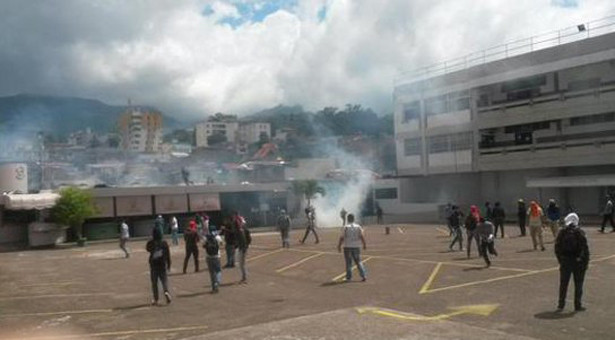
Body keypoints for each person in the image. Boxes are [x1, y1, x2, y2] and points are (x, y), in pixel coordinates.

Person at [555, 213, 589, 312]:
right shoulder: (580, 232)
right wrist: (584, 263)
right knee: (578, 284)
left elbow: (557, 247)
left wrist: (561, 260)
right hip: (578, 262)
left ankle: (561, 304)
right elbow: (585, 249)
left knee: (563, 284)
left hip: (565, 261)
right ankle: (577, 305)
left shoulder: (562, 232)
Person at [337, 214, 367, 282]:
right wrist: (364, 244)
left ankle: (349, 277)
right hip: (356, 246)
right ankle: (363, 275)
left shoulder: (345, 227)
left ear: (348, 219)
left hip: (347, 247)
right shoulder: (358, 226)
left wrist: (339, 246)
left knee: (348, 263)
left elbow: (342, 237)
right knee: (358, 261)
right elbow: (362, 236)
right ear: (354, 219)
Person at [146, 227, 171, 305]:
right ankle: (166, 291)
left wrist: (151, 240)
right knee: (164, 281)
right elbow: (168, 255)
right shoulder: (164, 243)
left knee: (154, 283)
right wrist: (169, 264)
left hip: (154, 264)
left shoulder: (151, 243)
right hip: (162, 264)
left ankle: (156, 299)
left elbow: (147, 249)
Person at [232, 211, 251, 284]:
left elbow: (243, 240)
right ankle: (244, 276)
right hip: (242, 247)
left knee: (241, 264)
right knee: (241, 263)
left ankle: (244, 277)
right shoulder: (241, 230)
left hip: (243, 248)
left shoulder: (240, 231)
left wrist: (243, 248)